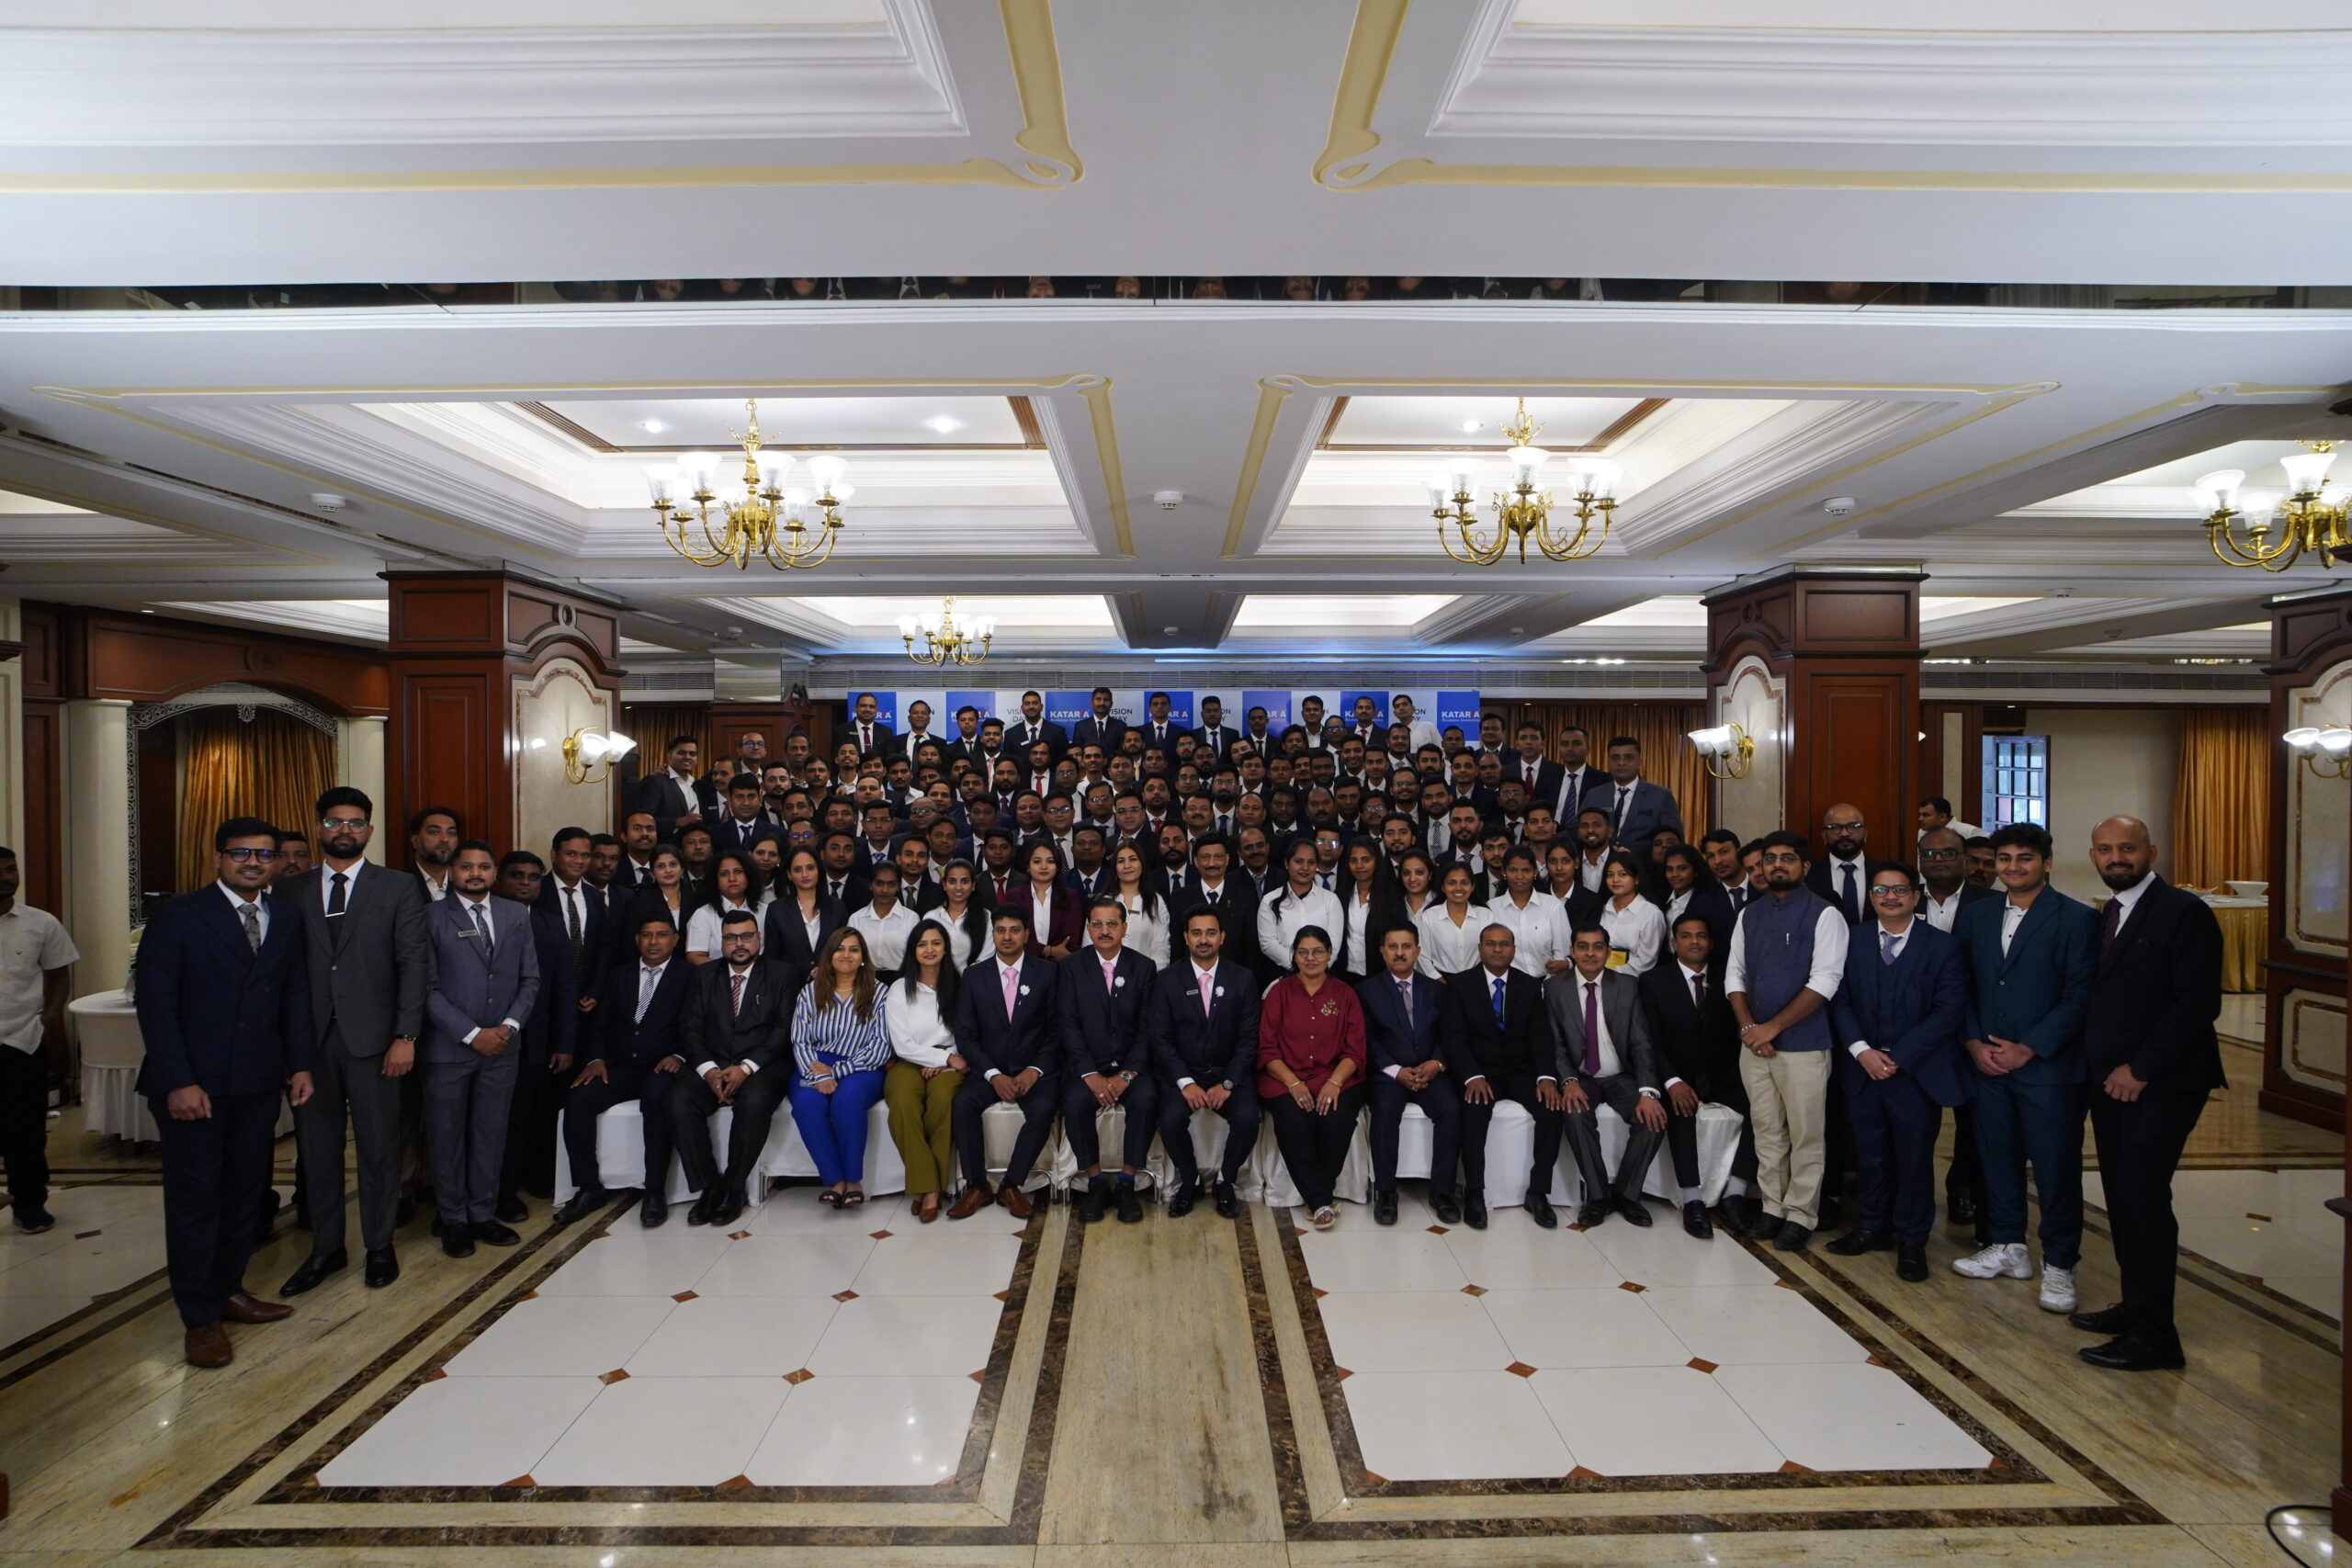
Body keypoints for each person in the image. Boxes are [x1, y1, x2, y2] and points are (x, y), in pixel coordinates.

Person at [133, 817, 314, 1368]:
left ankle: (229, 1290)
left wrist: (300, 1065)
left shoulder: (285, 917)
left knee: (244, 1195)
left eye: (264, 855)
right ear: (218, 858)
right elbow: (156, 1004)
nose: (253, 863)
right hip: (195, 1086)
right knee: (196, 1203)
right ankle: (199, 1318)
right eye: (241, 853)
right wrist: (179, 1081)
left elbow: (293, 996)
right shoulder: (179, 916)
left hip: (256, 1083)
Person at [2072, 816, 2225, 1371]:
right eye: (2105, 849)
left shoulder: (2184, 912)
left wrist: (2140, 1068)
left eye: (2127, 848)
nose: (2117, 857)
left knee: (2143, 1200)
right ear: (2093, 855)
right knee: (2122, 1197)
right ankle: (2137, 1307)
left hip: (2160, 1084)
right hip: (2112, 1083)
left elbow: (2197, 1003)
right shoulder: (2108, 912)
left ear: (2151, 852)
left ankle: (2156, 1337)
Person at [1951, 823, 2097, 1312]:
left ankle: (2060, 1264)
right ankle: (2008, 1245)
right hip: (1987, 1064)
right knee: (1996, 1159)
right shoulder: (1977, 914)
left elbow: (2080, 997)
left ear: (2046, 863)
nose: (2013, 867)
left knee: (2055, 1170)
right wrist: (1972, 1040)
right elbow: (1960, 983)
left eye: (2025, 858)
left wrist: (2029, 1048)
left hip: (2049, 1069)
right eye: (2005, 859)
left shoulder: (2077, 919)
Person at [1826, 865, 1971, 1281]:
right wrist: (1862, 1051)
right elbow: (1839, 1000)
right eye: (1881, 890)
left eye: (1900, 890)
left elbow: (1948, 1012)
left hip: (1916, 1073)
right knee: (1870, 1154)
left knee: (1913, 1158)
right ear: (1872, 896)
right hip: (1863, 1069)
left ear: (1915, 895)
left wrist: (1898, 1057)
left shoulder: (1944, 947)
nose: (1890, 897)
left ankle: (1912, 1239)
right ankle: (1871, 1226)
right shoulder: (1851, 941)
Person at [1724, 831, 1849, 1250]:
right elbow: (1734, 974)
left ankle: (1801, 1214)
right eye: (1770, 859)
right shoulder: (1749, 914)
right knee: (1766, 1131)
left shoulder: (1825, 914)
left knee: (1806, 1133)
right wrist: (1749, 1029)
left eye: (1787, 858)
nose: (1777, 865)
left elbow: (1826, 981)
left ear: (1805, 866)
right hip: (1753, 1045)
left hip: (1804, 1045)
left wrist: (1771, 1028)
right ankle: (1773, 1207)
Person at [420, 840, 539, 1258]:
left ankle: (483, 1214)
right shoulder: (431, 917)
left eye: (484, 867)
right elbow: (427, 988)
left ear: (494, 873)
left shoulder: (515, 914)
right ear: (452, 872)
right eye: (467, 866)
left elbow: (530, 979)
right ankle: (453, 1219)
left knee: (491, 1133)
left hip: (503, 1047)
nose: (475, 873)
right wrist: (472, 1034)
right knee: (447, 1136)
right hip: (449, 1048)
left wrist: (508, 1026)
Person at [555, 913, 692, 1228]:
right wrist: (595, 1058)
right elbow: (599, 1023)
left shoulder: (690, 976)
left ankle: (654, 1190)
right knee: (577, 1100)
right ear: (636, 940)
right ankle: (588, 1188)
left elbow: (698, 1024)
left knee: (657, 1101)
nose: (653, 941)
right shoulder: (618, 975)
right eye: (646, 935)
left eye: (661, 934)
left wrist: (680, 1055)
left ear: (675, 940)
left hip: (662, 1065)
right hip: (619, 1065)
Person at [669, 908, 800, 1226]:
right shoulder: (703, 975)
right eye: (731, 938)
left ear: (758, 938)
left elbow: (783, 1030)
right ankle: (709, 1187)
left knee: (754, 1102)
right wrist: (709, 1070)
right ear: (722, 941)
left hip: (762, 1066)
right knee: (678, 1100)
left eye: (746, 936)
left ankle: (734, 1186)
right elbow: (690, 1027)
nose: (739, 944)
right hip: (712, 1063)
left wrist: (745, 1068)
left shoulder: (783, 974)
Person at [1440, 923, 1565, 1229]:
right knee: (1473, 1110)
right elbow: (1453, 1037)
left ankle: (1538, 1192)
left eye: (1504, 944)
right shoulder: (1460, 985)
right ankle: (1474, 1192)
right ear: (1480, 948)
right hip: (1480, 1072)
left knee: (1552, 1109)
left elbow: (1540, 1036)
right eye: (1491, 943)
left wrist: (1546, 1077)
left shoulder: (1530, 985)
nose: (1497, 949)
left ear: (1514, 949)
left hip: (1520, 1071)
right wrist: (1471, 1076)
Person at [1546, 923, 1668, 1228]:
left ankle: (1627, 1195)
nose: (1590, 953)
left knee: (1652, 1119)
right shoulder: (1555, 988)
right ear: (1572, 951)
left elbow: (1641, 1043)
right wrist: (1568, 1081)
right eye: (1583, 946)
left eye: (1598, 947)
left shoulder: (1627, 986)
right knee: (1574, 1114)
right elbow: (1555, 1044)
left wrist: (1648, 1092)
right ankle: (1598, 1196)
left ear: (1608, 951)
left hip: (1620, 1076)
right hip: (1581, 1077)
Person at [1637, 913, 1749, 1240]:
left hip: (1721, 1073)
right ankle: (1692, 1199)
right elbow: (1651, 1040)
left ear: (1711, 943)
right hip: (1675, 1074)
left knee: (1763, 1106)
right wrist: (1672, 1081)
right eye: (1686, 936)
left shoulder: (1730, 978)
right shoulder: (1653, 981)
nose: (1694, 942)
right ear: (1674, 943)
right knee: (1680, 1111)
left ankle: (1736, 1192)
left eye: (1701, 936)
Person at [1148, 907, 1263, 1218]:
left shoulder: (1242, 978)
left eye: (1210, 933)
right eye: (1196, 933)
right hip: (1184, 1074)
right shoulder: (1167, 979)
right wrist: (1186, 1083)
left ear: (1222, 937)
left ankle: (1225, 1180)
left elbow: (1249, 1038)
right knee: (1169, 1119)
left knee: (1248, 1118)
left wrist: (1227, 1083)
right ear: (1185, 937)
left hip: (1228, 1074)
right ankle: (1191, 1181)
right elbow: (1161, 1039)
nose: (1203, 939)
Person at [948, 907, 1061, 1219]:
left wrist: (1034, 1071)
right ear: (993, 934)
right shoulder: (974, 976)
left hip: (1034, 1071)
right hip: (990, 1070)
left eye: (1014, 930)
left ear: (1027, 934)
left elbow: (1057, 1031)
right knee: (963, 1104)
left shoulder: (1048, 973)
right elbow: (965, 1035)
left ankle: (1011, 1185)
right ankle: (977, 1186)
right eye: (1000, 930)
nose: (1007, 936)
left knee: (1044, 1109)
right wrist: (993, 1074)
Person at [1915, 826, 1997, 1234]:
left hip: (1975, 1029)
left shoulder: (1992, 904)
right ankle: (1912, 1205)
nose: (1938, 860)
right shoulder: (1903, 898)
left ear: (1964, 858)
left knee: (1975, 1123)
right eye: (1928, 854)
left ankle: (1965, 1190)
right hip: (1916, 1029)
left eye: (1947, 853)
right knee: (1916, 1122)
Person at [1057, 897, 1159, 1224]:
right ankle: (1096, 1182)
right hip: (1087, 1067)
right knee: (1075, 1103)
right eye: (1097, 924)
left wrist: (1127, 1075)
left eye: (1112, 924)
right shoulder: (1071, 967)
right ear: (1088, 928)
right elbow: (1067, 1024)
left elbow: (1148, 1027)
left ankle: (1127, 1182)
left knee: (1146, 1099)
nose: (1104, 931)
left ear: (1124, 928)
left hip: (1131, 1068)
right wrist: (1089, 1074)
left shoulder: (1144, 967)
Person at [1257, 928, 1365, 1229]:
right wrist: (1293, 1083)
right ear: (1294, 956)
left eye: (1318, 951)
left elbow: (1355, 1051)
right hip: (1284, 1077)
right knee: (1292, 1119)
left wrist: (1334, 1083)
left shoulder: (1345, 994)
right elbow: (1266, 1049)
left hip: (1336, 1076)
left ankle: (1317, 1196)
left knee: (1337, 1118)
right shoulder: (1279, 992)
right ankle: (1320, 1201)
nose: (1311, 958)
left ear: (1330, 954)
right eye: (1303, 952)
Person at [494, 851, 577, 1226]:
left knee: (532, 1114)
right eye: (517, 876)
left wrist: (564, 1043)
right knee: (498, 1119)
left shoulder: (550, 923)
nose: (525, 883)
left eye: (532, 877)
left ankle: (527, 1179)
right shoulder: (488, 917)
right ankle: (500, 1190)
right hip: (490, 1038)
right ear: (500, 878)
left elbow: (564, 986)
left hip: (538, 1039)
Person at [1359, 926, 1460, 1226]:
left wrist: (1437, 1063)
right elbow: (1367, 1040)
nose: (1400, 953)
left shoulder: (1437, 990)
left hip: (1431, 1072)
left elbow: (1449, 1033)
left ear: (1418, 951)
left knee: (1451, 1110)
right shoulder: (1365, 991)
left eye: (1406, 946)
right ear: (1382, 951)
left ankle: (1442, 1192)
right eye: (1393, 946)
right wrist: (1395, 1071)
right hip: (1389, 1074)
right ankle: (1386, 1192)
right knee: (1385, 1111)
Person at [0, 845, 77, 1236]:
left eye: (11, 869)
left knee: (26, 1129)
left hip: (22, 1040)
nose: (6, 878)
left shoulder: (41, 923)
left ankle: (30, 1204)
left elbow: (60, 974)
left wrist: (50, 1015)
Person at [787, 929, 892, 1210]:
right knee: (806, 1105)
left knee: (846, 1101)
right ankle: (835, 1180)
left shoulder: (879, 993)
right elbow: (800, 1040)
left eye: (854, 949)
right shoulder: (810, 992)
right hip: (814, 1063)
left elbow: (880, 1047)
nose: (847, 955)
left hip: (862, 1066)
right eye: (840, 949)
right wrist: (820, 1073)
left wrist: (836, 1071)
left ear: (863, 957)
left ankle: (854, 1180)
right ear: (829, 955)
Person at [883, 920, 966, 1224]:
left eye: (936, 943)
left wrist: (948, 1059)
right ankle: (931, 1186)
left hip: (952, 1058)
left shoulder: (960, 984)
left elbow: (968, 1031)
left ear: (945, 948)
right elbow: (901, 1043)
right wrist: (939, 1058)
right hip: (910, 1059)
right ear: (913, 950)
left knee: (942, 1102)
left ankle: (926, 1190)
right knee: (903, 1104)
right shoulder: (899, 989)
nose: (929, 949)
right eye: (922, 944)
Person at [1805, 803, 1903, 927]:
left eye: (1853, 826)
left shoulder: (1884, 873)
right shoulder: (1809, 876)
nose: (1844, 833)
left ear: (1865, 833)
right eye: (1834, 827)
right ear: (1824, 836)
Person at [1485, 847, 1572, 978]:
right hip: (1508, 985)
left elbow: (1561, 955)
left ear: (1535, 872)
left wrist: (1547, 984)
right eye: (1513, 870)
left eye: (1526, 870)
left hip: (1547, 983)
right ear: (1504, 871)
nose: (1519, 876)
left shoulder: (1552, 905)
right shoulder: (1492, 908)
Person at [1259, 838, 1343, 974]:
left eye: (1311, 862)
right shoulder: (1269, 901)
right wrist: (1300, 966)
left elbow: (1334, 944)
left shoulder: (1331, 900)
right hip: (1283, 975)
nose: (1305, 868)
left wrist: (1316, 968)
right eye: (1299, 861)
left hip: (1322, 976)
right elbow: (1268, 944)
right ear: (1287, 863)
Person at [1591, 737, 1683, 858]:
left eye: (1628, 757)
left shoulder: (1661, 796)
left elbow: (1674, 841)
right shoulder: (1594, 795)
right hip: (1600, 866)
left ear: (1640, 762)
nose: (1621, 763)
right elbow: (1580, 832)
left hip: (1645, 866)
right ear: (1609, 761)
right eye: (1615, 758)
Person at [1333, 839, 1411, 979]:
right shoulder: (1340, 895)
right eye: (1353, 860)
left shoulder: (1392, 896)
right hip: (1344, 976)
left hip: (1379, 977)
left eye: (1365, 860)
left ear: (1376, 862)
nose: (1359, 865)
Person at [763, 845, 848, 973]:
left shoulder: (837, 907)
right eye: (797, 870)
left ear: (819, 870)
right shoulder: (776, 909)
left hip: (829, 980)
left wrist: (825, 970)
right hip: (789, 982)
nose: (805, 874)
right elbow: (772, 957)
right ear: (789, 874)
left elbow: (844, 950)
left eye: (810, 868)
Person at [1415, 863, 1491, 979]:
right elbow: (1422, 954)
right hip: (1440, 980)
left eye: (1464, 883)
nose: (1458, 888)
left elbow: (1492, 951)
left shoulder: (1486, 915)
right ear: (1443, 887)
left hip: (1478, 979)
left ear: (1472, 886)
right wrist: (1437, 978)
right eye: (1451, 883)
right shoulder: (1429, 916)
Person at [1597, 850, 1668, 976]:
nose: (1615, 880)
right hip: (1597, 974)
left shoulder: (1651, 913)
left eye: (1623, 874)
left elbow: (1646, 961)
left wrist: (1612, 974)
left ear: (1636, 880)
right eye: (1610, 875)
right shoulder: (1600, 909)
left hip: (1632, 981)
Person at [684, 851, 763, 963]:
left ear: (748, 875)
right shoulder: (703, 914)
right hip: (718, 973)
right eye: (724, 873)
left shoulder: (767, 910)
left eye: (738, 871)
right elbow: (695, 957)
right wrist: (730, 971)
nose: (732, 878)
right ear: (715, 879)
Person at [848, 862, 919, 979]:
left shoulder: (911, 918)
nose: (885, 890)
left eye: (891, 884)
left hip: (901, 980)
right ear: (870, 885)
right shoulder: (857, 918)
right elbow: (851, 954)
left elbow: (913, 957)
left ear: (899, 886)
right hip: (863, 979)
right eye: (879, 883)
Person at [1015, 840, 1083, 961]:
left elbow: (1070, 938)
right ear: (1028, 867)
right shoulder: (1014, 896)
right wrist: (1047, 950)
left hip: (1060, 963)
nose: (1044, 866)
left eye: (1050, 861)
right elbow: (1014, 935)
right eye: (1037, 861)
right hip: (1023, 963)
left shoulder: (1070, 896)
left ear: (1057, 866)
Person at [1108, 840, 1171, 965]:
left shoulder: (1156, 901)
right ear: (1115, 868)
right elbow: (1090, 944)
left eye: (1132, 859)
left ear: (1142, 863)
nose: (1127, 865)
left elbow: (1161, 948)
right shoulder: (1103, 901)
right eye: (1121, 861)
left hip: (1146, 975)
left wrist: (1147, 973)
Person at [637, 735, 712, 835]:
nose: (688, 757)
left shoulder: (697, 785)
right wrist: (678, 822)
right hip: (666, 844)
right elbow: (641, 820)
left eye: (692, 754)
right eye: (682, 753)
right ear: (669, 755)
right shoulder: (655, 781)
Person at [409, 806, 459, 901]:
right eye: (434, 832)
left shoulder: (466, 881)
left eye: (451, 833)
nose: (445, 839)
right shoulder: (399, 883)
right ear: (415, 841)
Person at [847, 692, 894, 758]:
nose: (868, 709)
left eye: (872, 706)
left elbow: (889, 758)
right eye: (863, 706)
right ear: (855, 708)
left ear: (876, 710)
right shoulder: (841, 731)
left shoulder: (886, 732)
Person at [1917, 795, 1981, 843]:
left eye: (1925, 815)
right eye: (1920, 815)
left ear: (1942, 817)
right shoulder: (1922, 832)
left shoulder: (1971, 832)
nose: (1920, 819)